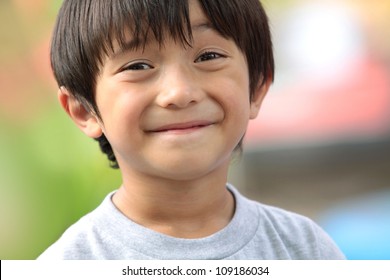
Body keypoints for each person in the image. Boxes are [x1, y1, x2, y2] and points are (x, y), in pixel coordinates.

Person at [38, 0, 345, 260]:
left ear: (257, 88)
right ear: (83, 109)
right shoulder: (67, 263)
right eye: (138, 66)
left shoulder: (306, 250)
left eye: (208, 56)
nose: (179, 92)